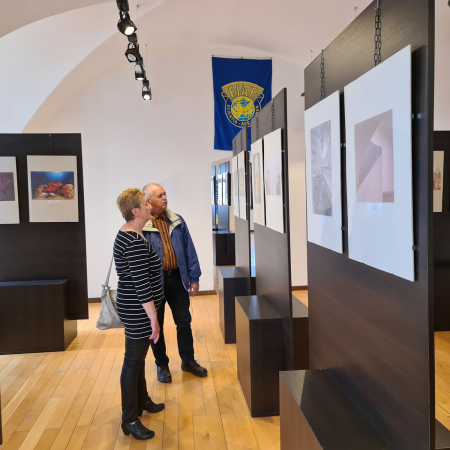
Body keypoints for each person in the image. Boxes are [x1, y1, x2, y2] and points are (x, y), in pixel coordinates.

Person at [142, 183, 208, 382]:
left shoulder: (177, 220)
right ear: (148, 201)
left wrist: (194, 277)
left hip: (178, 279)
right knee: (157, 326)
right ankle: (162, 365)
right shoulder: (142, 224)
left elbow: (189, 249)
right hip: (155, 284)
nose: (164, 198)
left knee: (184, 322)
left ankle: (188, 361)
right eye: (159, 195)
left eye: (165, 194)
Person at [114, 188, 165, 440]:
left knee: (138, 358)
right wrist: (153, 317)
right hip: (138, 309)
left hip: (135, 306)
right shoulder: (133, 241)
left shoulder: (131, 233)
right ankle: (130, 420)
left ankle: (142, 400)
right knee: (132, 362)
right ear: (135, 211)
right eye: (146, 204)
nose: (150, 206)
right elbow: (141, 284)